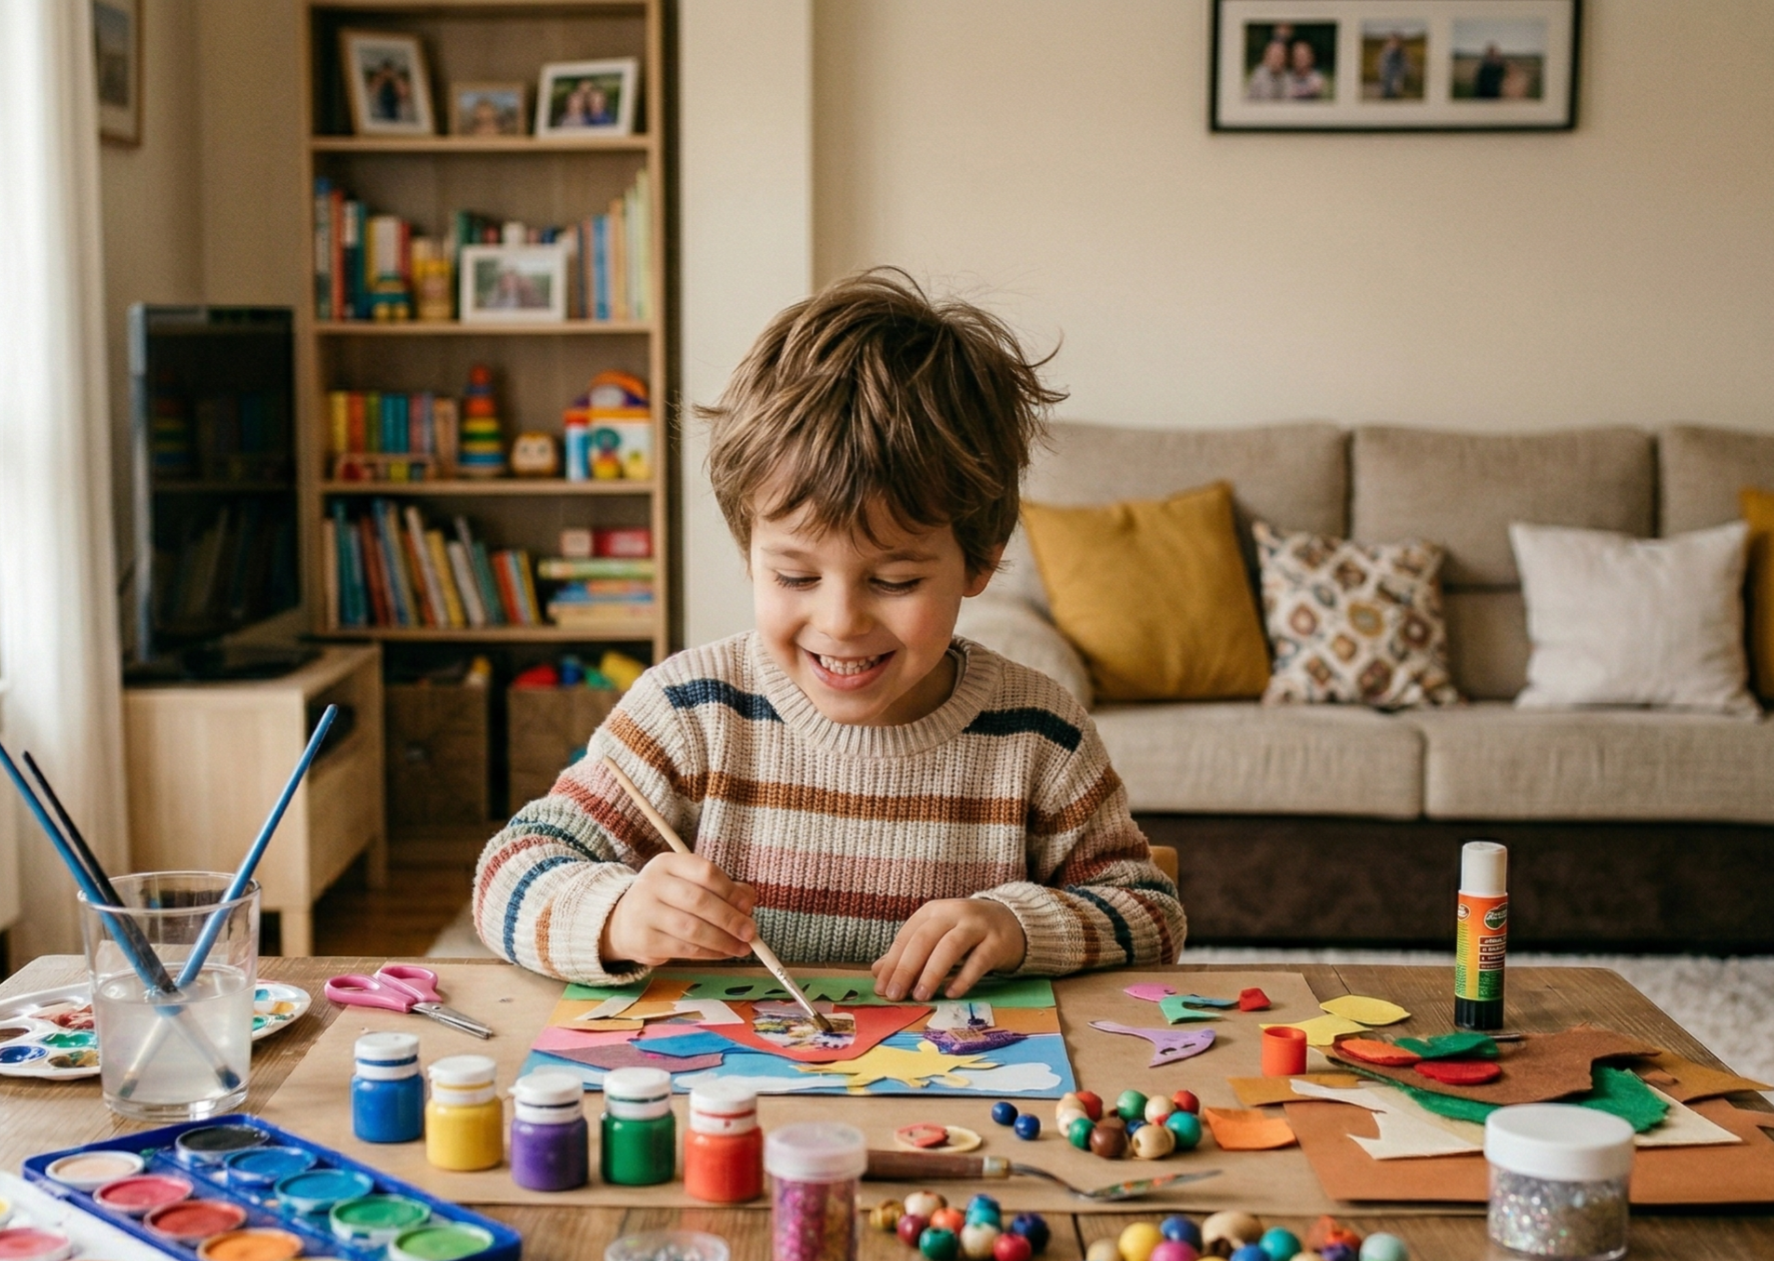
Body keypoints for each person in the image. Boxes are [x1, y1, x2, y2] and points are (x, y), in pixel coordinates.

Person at [472, 269, 1187, 999]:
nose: (841, 621)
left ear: (980, 561)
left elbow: (1153, 915)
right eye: (795, 576)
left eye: (896, 580)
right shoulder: (690, 713)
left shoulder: (1039, 737)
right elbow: (510, 870)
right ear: (749, 550)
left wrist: (1017, 926)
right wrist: (616, 914)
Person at [1245, 30, 1291, 101]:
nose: (1276, 60)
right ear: (1266, 58)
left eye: (1280, 57)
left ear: (1285, 59)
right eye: (1273, 56)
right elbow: (1249, 100)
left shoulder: (1288, 77)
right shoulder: (1258, 74)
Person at [1378, 33, 1411, 100]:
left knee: (1396, 88)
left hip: (1397, 73)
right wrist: (1381, 71)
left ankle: (1394, 97)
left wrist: (1405, 71)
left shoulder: (1402, 51)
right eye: (1392, 40)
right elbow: (1382, 61)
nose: (1394, 42)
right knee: (1387, 88)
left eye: (1396, 41)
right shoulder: (1386, 50)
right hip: (1387, 72)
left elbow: (1405, 62)